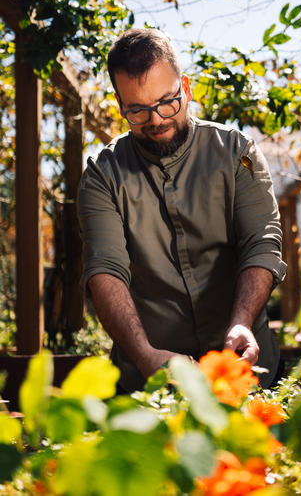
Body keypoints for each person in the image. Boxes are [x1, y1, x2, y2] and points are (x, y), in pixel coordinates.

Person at [77, 28, 287, 393]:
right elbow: (105, 271)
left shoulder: (237, 153)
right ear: (120, 105)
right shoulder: (102, 176)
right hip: (149, 386)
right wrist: (145, 354)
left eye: (167, 102)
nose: (156, 119)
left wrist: (241, 321)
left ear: (185, 89)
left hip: (247, 373)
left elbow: (262, 244)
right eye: (138, 110)